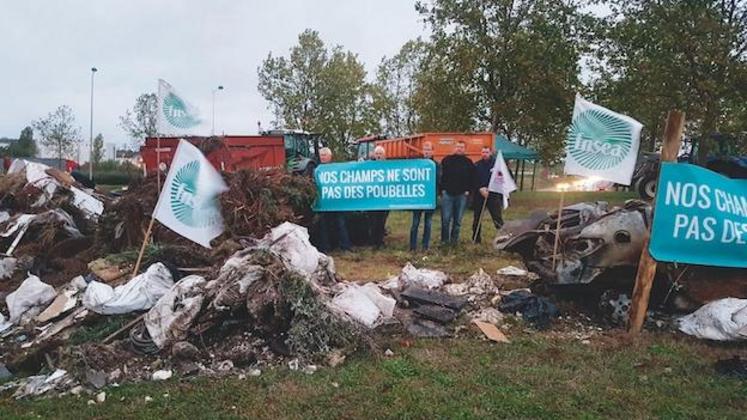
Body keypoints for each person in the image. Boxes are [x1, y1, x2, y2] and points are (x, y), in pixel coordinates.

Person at [316, 147, 352, 252]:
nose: (322, 157)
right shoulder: (317, 169)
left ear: (330, 157)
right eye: (321, 155)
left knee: (340, 224)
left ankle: (345, 246)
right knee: (324, 226)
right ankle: (325, 248)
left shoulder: (337, 169)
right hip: (324, 203)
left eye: (324, 155)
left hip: (337, 202)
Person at [440, 141, 476, 245]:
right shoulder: (446, 160)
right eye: (458, 147)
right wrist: (442, 190)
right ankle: (444, 241)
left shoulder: (468, 162)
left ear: (465, 149)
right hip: (448, 194)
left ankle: (454, 241)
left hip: (461, 195)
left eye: (462, 147)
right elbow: (441, 176)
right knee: (446, 219)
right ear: (454, 148)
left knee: (458, 221)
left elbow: (472, 178)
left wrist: (468, 191)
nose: (459, 149)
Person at [471, 146, 504, 243]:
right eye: (483, 152)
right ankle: (476, 239)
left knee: (497, 218)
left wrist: (492, 189)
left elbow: (501, 179)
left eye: (487, 152)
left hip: (493, 195)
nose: (485, 154)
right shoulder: (477, 165)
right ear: (481, 153)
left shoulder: (497, 165)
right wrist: (480, 188)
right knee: (477, 218)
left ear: (490, 153)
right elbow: (473, 179)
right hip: (479, 195)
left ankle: (503, 238)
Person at [409, 142, 437, 251]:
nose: (426, 151)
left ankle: (425, 246)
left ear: (432, 151)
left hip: (429, 199)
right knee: (415, 223)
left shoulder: (436, 165)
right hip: (418, 199)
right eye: (425, 149)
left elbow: (438, 180)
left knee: (428, 223)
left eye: (429, 149)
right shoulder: (417, 164)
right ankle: (412, 246)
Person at [369, 146, 388, 248]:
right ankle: (373, 242)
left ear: (384, 155)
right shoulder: (370, 166)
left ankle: (380, 241)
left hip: (384, 198)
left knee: (382, 221)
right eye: (377, 154)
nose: (378, 156)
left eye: (380, 153)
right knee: (373, 221)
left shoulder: (388, 166)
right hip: (372, 199)